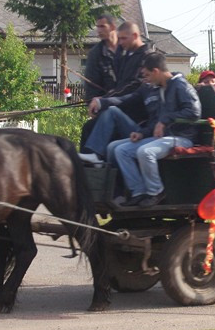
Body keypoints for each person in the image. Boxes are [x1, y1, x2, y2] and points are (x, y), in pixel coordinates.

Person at [113, 53, 201, 207]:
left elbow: (194, 112)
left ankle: (156, 191)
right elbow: (156, 121)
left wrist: (165, 120)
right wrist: (142, 133)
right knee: (121, 150)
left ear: (155, 71)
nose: (146, 80)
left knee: (145, 152)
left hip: (182, 137)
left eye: (147, 75)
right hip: (164, 137)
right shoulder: (161, 88)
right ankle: (138, 192)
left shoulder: (180, 85)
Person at [79, 21, 150, 155]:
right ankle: (88, 168)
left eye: (123, 38)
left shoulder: (147, 57)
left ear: (135, 36)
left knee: (107, 115)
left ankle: (95, 160)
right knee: (88, 127)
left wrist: (103, 101)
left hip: (138, 118)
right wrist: (101, 98)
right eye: (119, 38)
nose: (120, 42)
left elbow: (133, 87)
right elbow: (118, 85)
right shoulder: (126, 56)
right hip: (124, 110)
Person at [83, 14, 119, 103]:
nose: (99, 30)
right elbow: (91, 86)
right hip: (105, 103)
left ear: (113, 27)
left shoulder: (126, 48)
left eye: (102, 26)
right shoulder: (95, 54)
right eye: (97, 27)